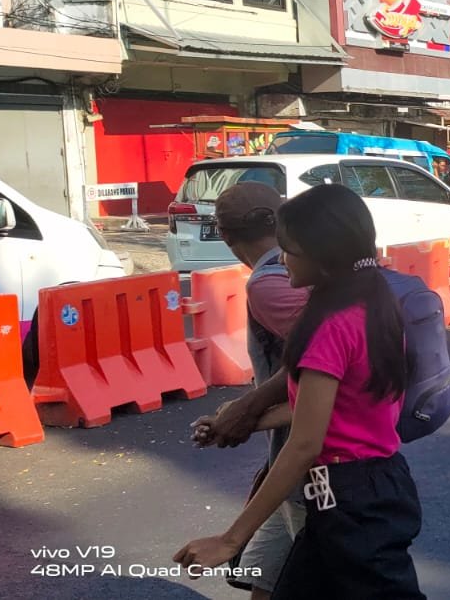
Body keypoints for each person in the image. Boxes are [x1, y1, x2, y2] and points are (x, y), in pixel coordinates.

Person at [176, 184, 423, 598]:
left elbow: (306, 442)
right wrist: (241, 422)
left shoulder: (330, 325)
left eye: (288, 249)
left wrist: (230, 540)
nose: (281, 259)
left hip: (349, 498)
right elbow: (332, 408)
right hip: (369, 487)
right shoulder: (375, 305)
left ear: (320, 255)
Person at [190, 183, 309, 600]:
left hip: (315, 466)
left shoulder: (270, 284)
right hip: (289, 465)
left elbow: (329, 379)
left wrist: (246, 412)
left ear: (225, 234)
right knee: (266, 578)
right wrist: (240, 414)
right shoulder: (309, 274)